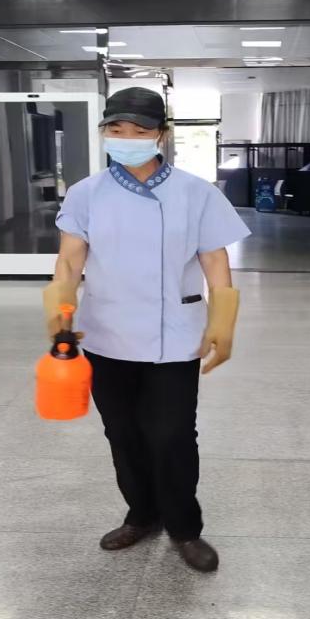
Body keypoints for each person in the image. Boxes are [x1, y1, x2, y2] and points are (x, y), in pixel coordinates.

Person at [44, 87, 250, 572]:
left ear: (161, 134)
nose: (127, 138)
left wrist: (222, 321)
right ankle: (141, 514)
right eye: (116, 129)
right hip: (105, 332)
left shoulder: (196, 192)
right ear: (104, 132)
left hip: (173, 335)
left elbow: (215, 260)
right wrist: (59, 314)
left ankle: (184, 527)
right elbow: (70, 260)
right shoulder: (86, 193)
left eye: (140, 130)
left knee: (172, 434)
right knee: (122, 432)